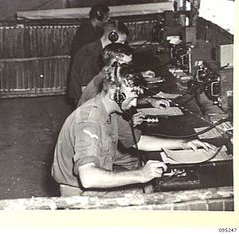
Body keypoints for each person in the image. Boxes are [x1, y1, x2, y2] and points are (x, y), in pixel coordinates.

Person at [51, 61, 213, 197]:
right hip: (80, 193)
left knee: (150, 188)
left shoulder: (110, 111)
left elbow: (139, 141)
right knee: (156, 193)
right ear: (117, 94)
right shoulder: (89, 121)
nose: (135, 104)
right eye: (133, 97)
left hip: (93, 184)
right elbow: (88, 177)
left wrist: (182, 143)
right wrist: (141, 174)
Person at [78, 43, 170, 117]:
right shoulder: (104, 83)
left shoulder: (110, 76)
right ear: (115, 63)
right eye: (126, 65)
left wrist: (150, 100)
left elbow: (125, 99)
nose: (129, 68)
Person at [67, 20, 129, 108]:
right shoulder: (89, 55)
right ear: (112, 36)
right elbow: (87, 94)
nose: (123, 46)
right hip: (86, 104)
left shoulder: (104, 51)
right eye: (122, 42)